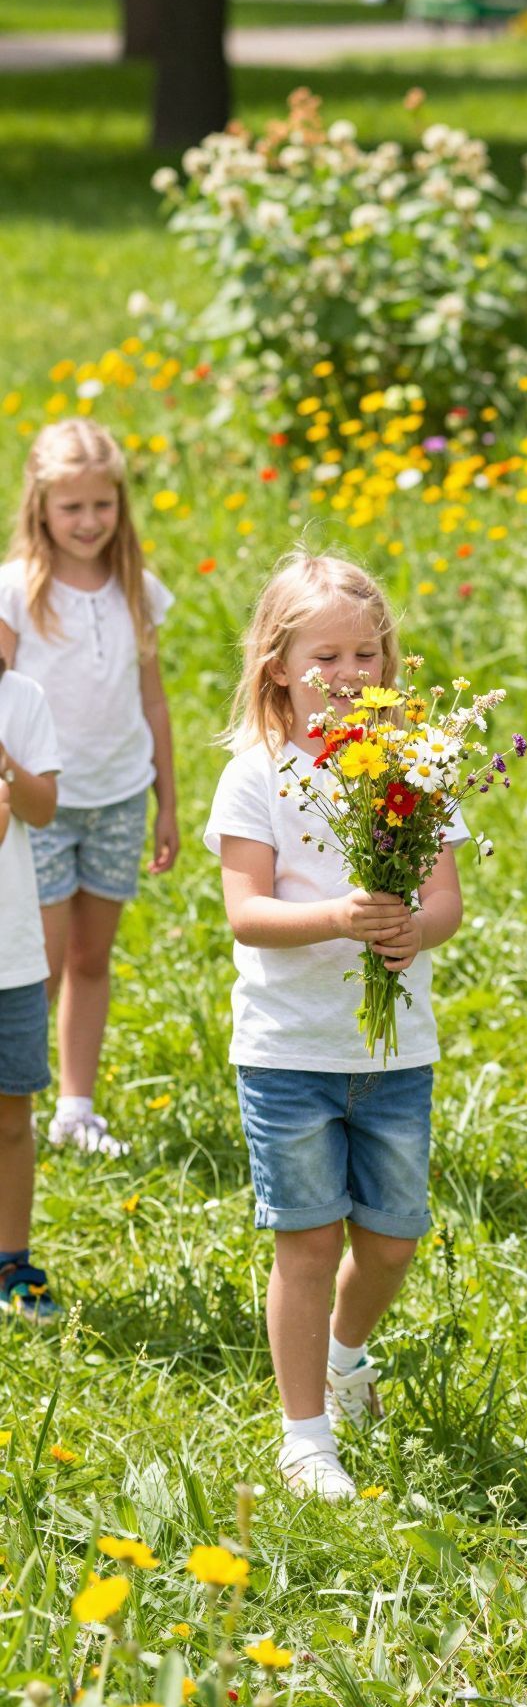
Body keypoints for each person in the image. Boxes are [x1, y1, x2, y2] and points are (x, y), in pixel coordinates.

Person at [205, 551, 467, 1501]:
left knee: (392, 1240)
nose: (351, 675)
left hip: (394, 1049)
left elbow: (446, 902)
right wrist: (339, 918)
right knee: (307, 1241)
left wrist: (409, 931)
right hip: (288, 1052)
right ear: (277, 663)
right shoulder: (255, 775)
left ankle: (345, 1353)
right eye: (328, 656)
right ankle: (305, 1435)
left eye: (368, 654)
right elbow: (247, 914)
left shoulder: (416, 764)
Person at [0, 419, 179, 1158]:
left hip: (117, 798)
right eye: (70, 508)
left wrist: (168, 798)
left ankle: (77, 1106)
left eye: (101, 506)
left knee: (89, 959)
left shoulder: (135, 588)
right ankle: (17, 1098)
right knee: (32, 964)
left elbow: (155, 698)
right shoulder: (16, 590)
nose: (88, 522)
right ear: (39, 506)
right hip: (41, 805)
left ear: (120, 505)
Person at [0, 656, 62, 1321]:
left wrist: (5, 761)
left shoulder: (20, 698)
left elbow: (43, 810)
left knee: (12, 1113)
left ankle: (10, 1259)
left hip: (10, 954)